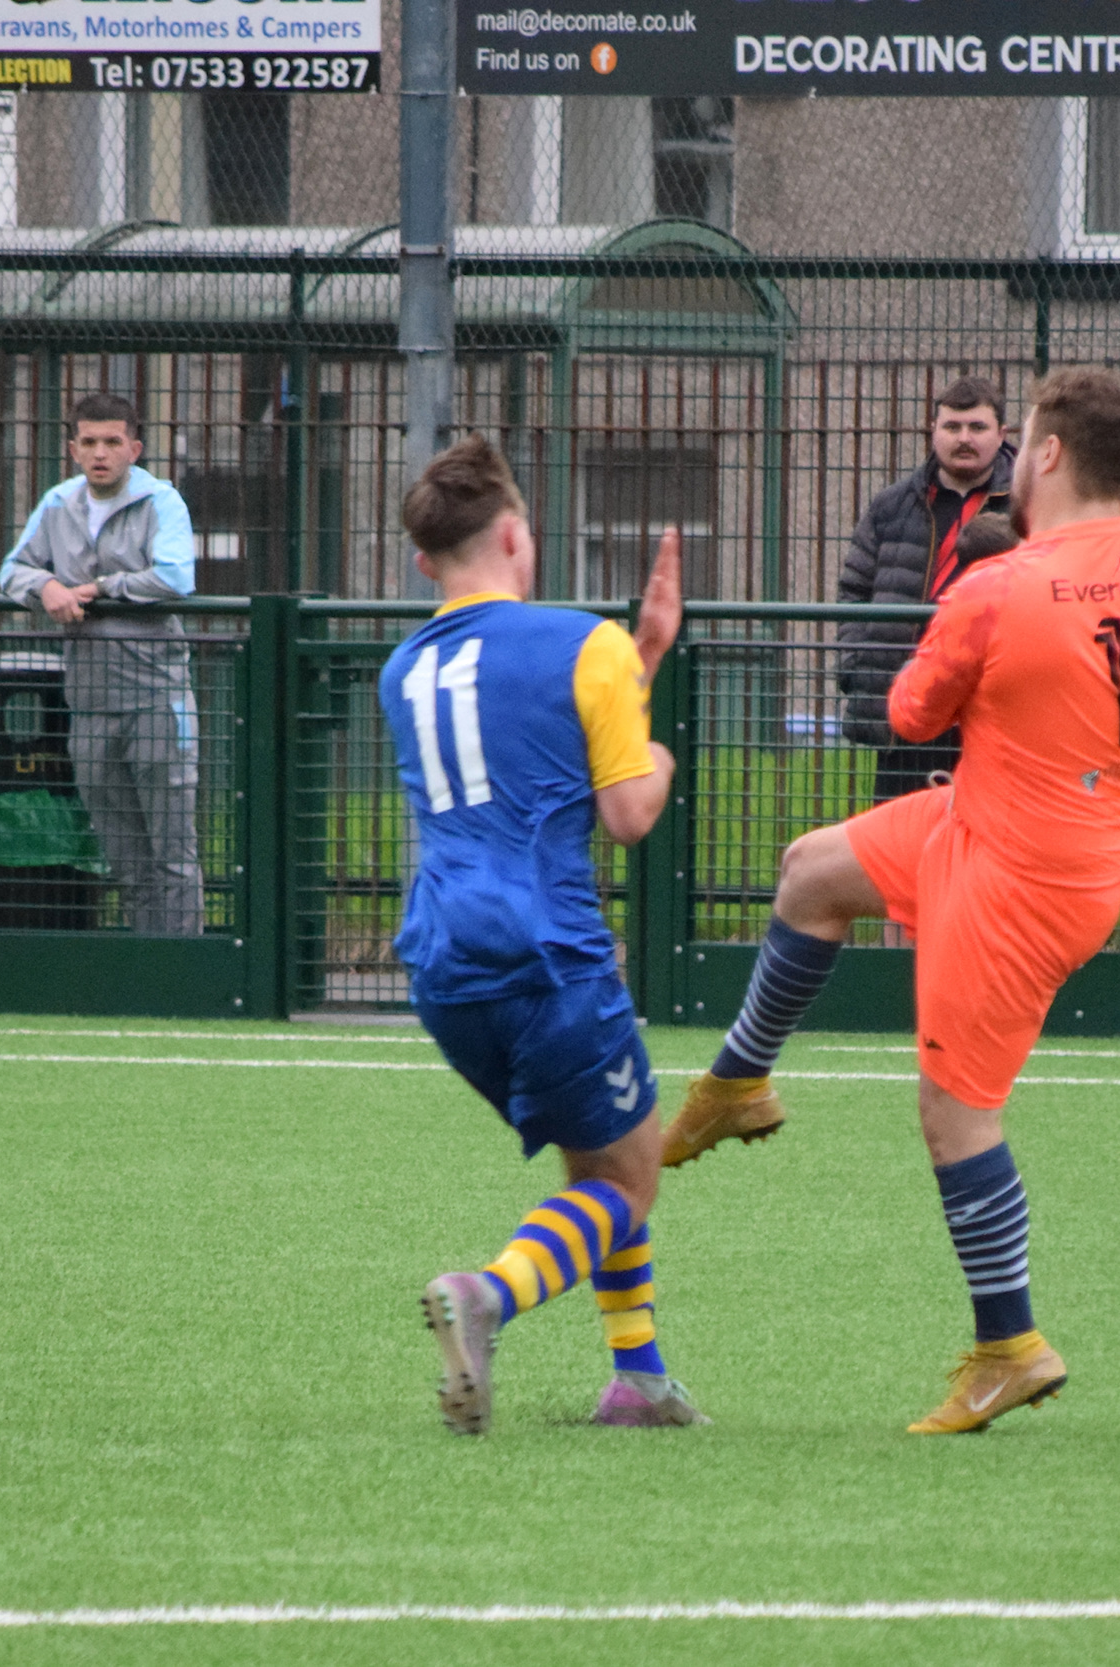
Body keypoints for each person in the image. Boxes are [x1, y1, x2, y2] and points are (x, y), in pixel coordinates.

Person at [663, 368, 1120, 1435]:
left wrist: (990, 671)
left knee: (955, 1112)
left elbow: (909, 714)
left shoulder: (995, 586)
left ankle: (1010, 1348)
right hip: (1008, 828)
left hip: (1018, 875)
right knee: (812, 871)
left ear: (1046, 454)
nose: (1011, 457)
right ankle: (737, 1082)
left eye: (1021, 439)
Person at [383, 435, 706, 1436]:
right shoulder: (582, 641)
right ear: (518, 536)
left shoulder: (402, 669)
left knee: (594, 1158)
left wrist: (641, 658)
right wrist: (659, 750)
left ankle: (640, 1381)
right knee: (629, 1176)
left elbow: (526, 735)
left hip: (442, 969)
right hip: (549, 957)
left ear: (425, 561)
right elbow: (627, 812)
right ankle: (487, 1295)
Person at [0, 394, 205, 936]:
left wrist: (100, 588)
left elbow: (175, 577)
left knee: (173, 854)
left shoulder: (162, 502)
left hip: (158, 702)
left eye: (113, 442)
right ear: (73, 449)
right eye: (89, 442)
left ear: (134, 449)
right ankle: (144, 962)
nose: (100, 453)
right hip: (88, 706)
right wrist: (46, 587)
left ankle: (182, 968)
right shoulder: (56, 504)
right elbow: (12, 570)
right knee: (124, 858)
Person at [837, 375, 1014, 804]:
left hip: (989, 707)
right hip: (905, 703)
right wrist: (857, 668)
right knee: (898, 835)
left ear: (1002, 434)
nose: (964, 438)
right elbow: (853, 591)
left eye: (977, 427)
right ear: (933, 431)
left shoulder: (1029, 505)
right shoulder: (892, 505)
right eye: (952, 426)